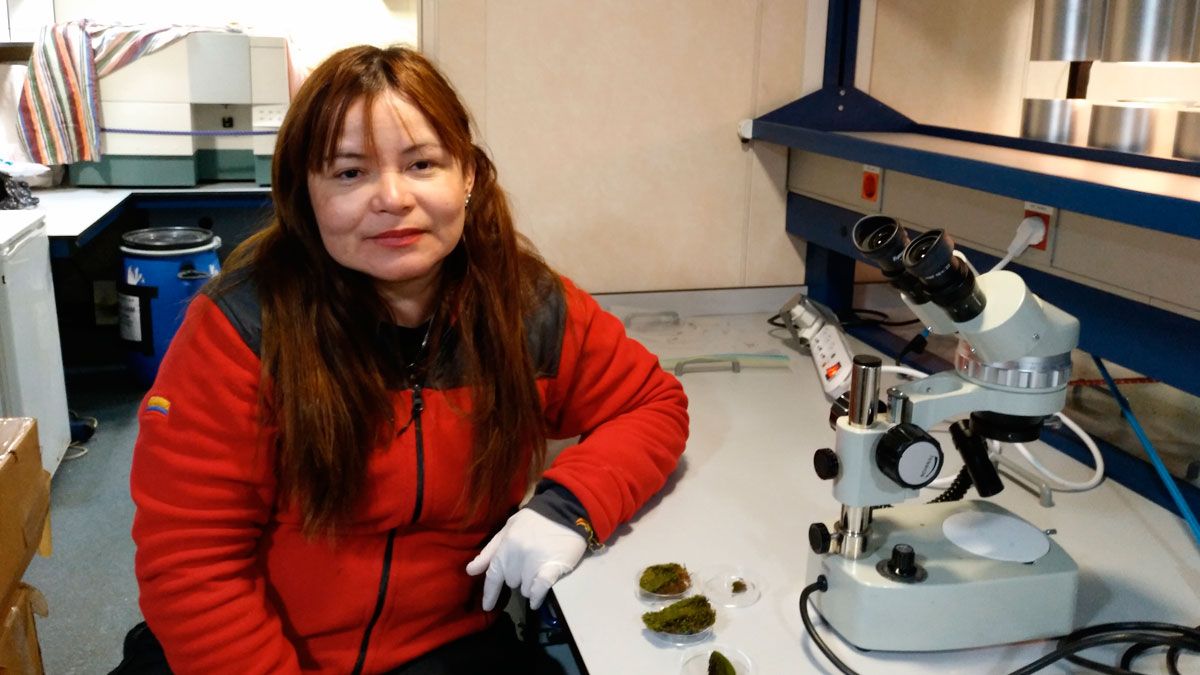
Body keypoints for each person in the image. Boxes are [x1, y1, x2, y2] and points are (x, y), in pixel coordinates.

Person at [128, 44, 689, 674]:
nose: (392, 198)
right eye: (349, 173)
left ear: (469, 176)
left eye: (422, 163)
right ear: (303, 195)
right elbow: (191, 562)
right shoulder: (241, 327)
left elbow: (651, 404)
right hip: (261, 653)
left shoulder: (526, 304)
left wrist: (571, 507)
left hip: (449, 649)